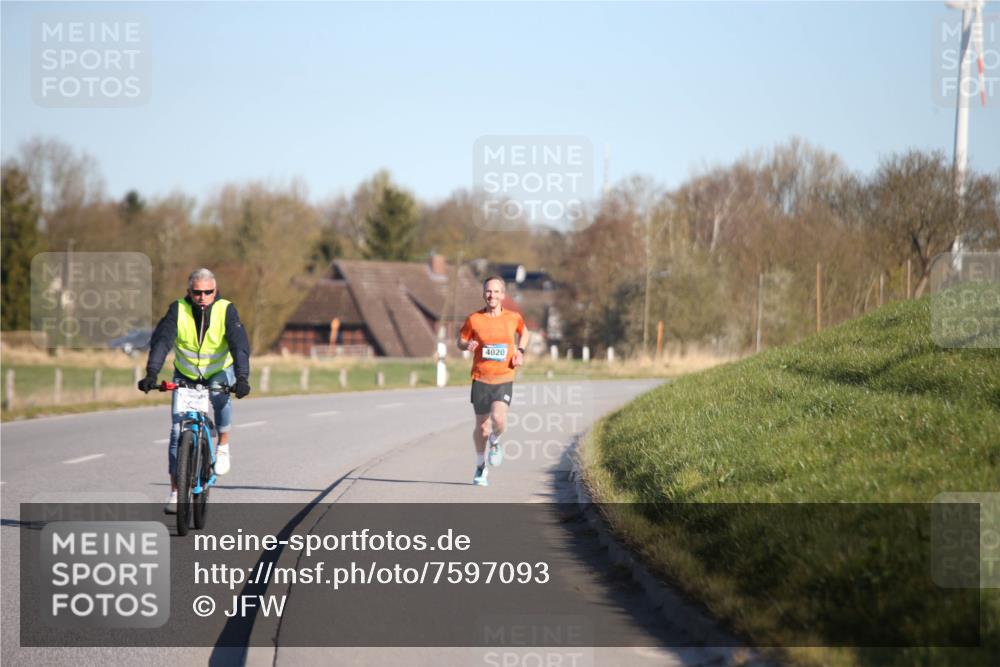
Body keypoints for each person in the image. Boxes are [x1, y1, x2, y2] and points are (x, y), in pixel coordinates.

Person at [138, 268, 251, 513]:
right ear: (189, 291)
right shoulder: (177, 309)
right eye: (197, 292)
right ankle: (176, 492)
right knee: (178, 431)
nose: (202, 297)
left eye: (208, 292)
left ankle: (223, 444)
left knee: (220, 396)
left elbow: (239, 345)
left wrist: (242, 377)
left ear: (215, 291)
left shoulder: (226, 309)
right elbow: (162, 341)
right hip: (186, 375)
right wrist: (152, 373)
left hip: (219, 371)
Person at [457, 276, 529, 486]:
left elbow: (525, 333)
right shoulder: (474, 319)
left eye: (496, 292)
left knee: (498, 419)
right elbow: (460, 340)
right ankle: (480, 467)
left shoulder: (513, 317)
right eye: (489, 291)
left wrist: (521, 351)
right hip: (480, 377)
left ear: (503, 295)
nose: (492, 295)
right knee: (481, 427)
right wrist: (466, 346)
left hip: (504, 376)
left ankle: (495, 442)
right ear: (483, 294)